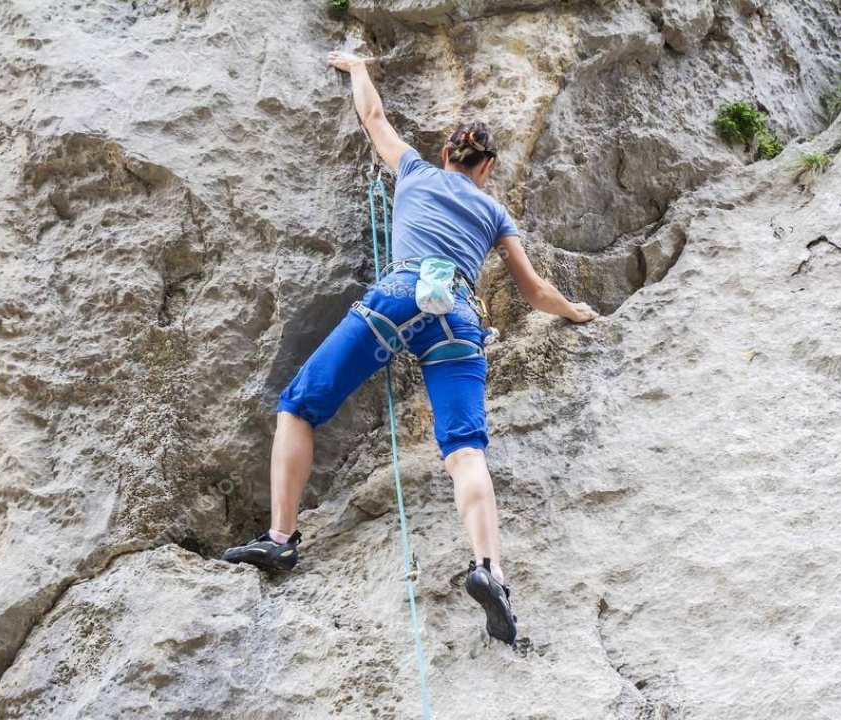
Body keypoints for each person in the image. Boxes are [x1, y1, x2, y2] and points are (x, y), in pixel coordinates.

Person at [222, 51, 598, 644]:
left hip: (400, 296)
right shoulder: (495, 211)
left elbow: (373, 118)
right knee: (465, 450)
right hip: (460, 317)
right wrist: (576, 312)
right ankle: (489, 569)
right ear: (487, 167)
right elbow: (534, 291)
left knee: (299, 404)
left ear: (449, 155)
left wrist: (358, 66)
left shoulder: (418, 172)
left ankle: (280, 540)